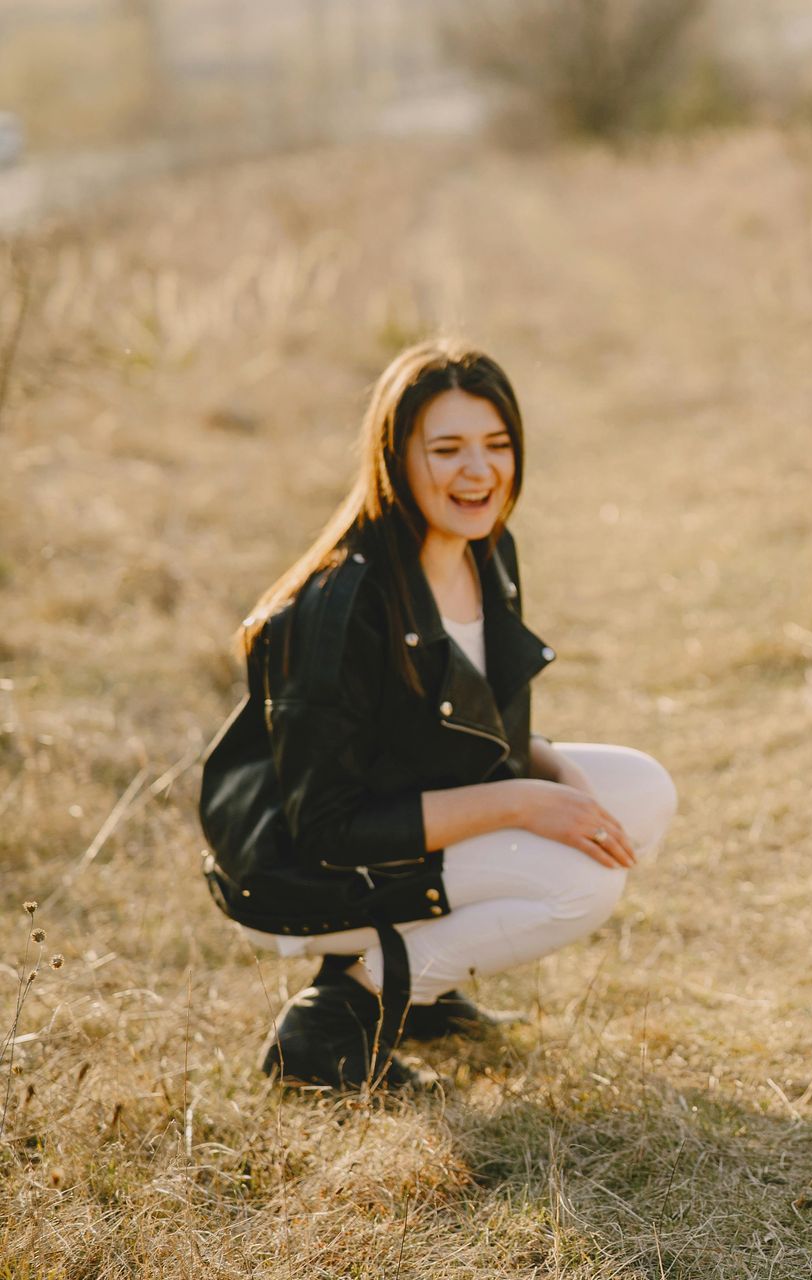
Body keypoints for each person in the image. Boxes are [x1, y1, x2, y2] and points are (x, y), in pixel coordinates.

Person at [199, 340, 675, 1089]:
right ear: (396, 458)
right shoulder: (341, 604)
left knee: (643, 791)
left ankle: (420, 994)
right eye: (447, 448)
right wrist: (524, 800)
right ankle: (338, 1017)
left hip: (394, 823)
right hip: (302, 867)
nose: (478, 471)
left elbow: (444, 730)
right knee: (582, 884)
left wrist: (548, 764)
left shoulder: (486, 550)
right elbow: (325, 826)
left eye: (497, 445)